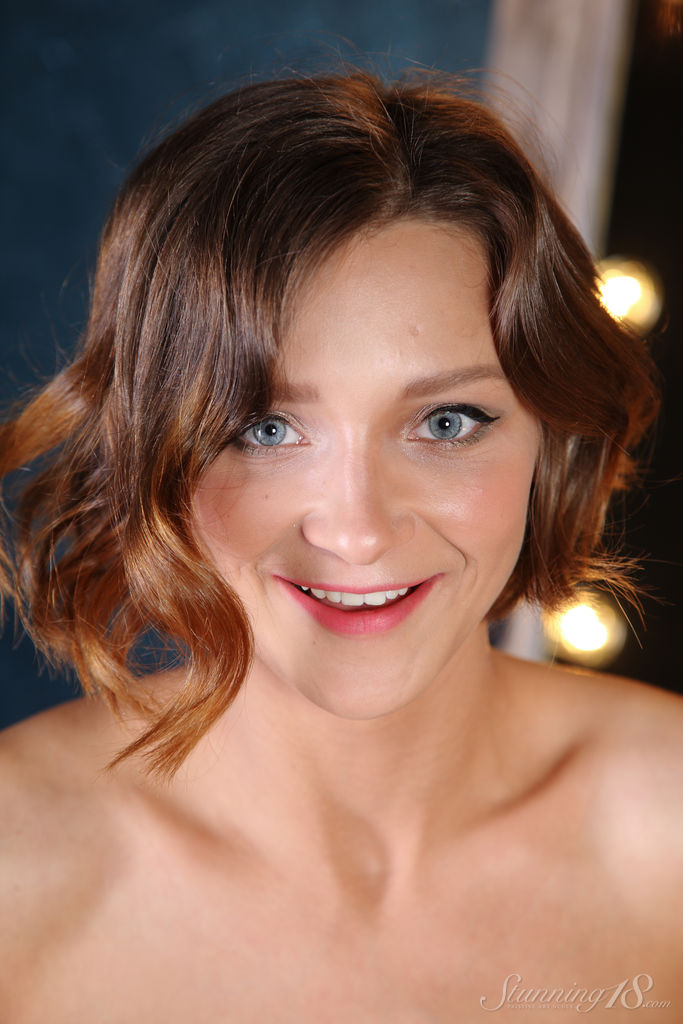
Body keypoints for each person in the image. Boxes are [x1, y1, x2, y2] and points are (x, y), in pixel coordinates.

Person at [1, 71, 681, 1022]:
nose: (357, 531)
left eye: (446, 422)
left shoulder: (668, 828)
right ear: (153, 446)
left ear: (551, 437)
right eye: (263, 428)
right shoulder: (17, 871)